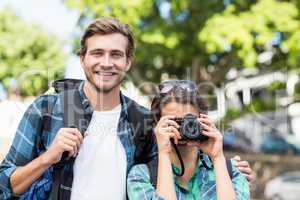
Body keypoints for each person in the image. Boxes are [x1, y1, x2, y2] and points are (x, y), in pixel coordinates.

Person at [0, 17, 252, 200]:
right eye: (97, 53)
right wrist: (47, 158)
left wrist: (226, 167)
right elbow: (4, 185)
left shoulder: (141, 120)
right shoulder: (46, 109)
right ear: (82, 59)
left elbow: (174, 168)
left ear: (128, 62)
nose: (106, 63)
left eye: (116, 54)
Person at [127, 80, 250, 200]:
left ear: (203, 120)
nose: (183, 128)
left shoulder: (230, 172)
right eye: (174, 122)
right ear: (157, 126)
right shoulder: (140, 176)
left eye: (189, 121)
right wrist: (163, 153)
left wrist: (217, 158)